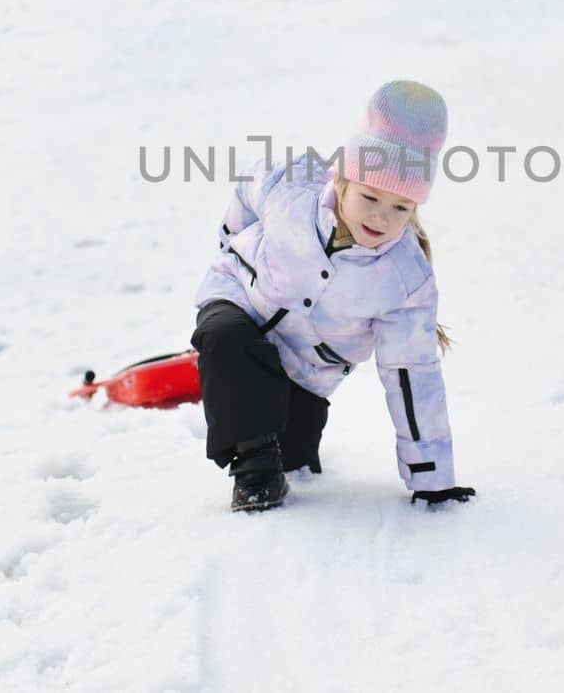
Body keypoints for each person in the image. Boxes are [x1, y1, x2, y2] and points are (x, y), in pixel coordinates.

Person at [191, 80, 476, 513]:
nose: (381, 216)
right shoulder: (293, 187)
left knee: (295, 455)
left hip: (301, 372)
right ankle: (254, 474)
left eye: (401, 207)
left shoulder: (404, 281)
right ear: (342, 181)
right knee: (226, 339)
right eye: (370, 197)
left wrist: (432, 478)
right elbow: (247, 192)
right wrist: (231, 248)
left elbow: (411, 374)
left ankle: (273, 433)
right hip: (240, 303)